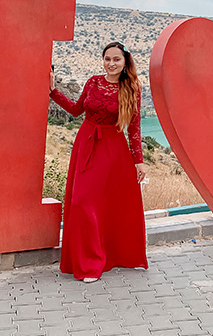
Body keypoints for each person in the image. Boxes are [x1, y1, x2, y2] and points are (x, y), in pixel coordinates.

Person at [49, 41, 148, 282]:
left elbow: (134, 128)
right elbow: (75, 110)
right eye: (107, 59)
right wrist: (52, 91)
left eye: (116, 59)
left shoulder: (132, 88)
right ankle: (88, 261)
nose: (111, 64)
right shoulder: (93, 82)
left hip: (114, 150)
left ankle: (107, 258)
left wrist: (139, 161)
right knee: (82, 202)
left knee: (108, 205)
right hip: (87, 144)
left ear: (125, 62)